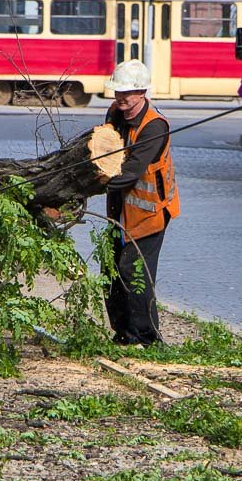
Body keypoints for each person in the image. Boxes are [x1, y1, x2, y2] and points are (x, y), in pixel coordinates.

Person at [101, 59, 180, 346]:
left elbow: (130, 172)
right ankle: (123, 333)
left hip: (150, 211)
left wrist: (92, 184)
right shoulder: (114, 113)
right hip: (119, 211)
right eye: (117, 91)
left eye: (127, 93)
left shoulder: (154, 127)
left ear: (142, 92)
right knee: (110, 271)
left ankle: (148, 338)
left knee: (134, 272)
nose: (120, 98)